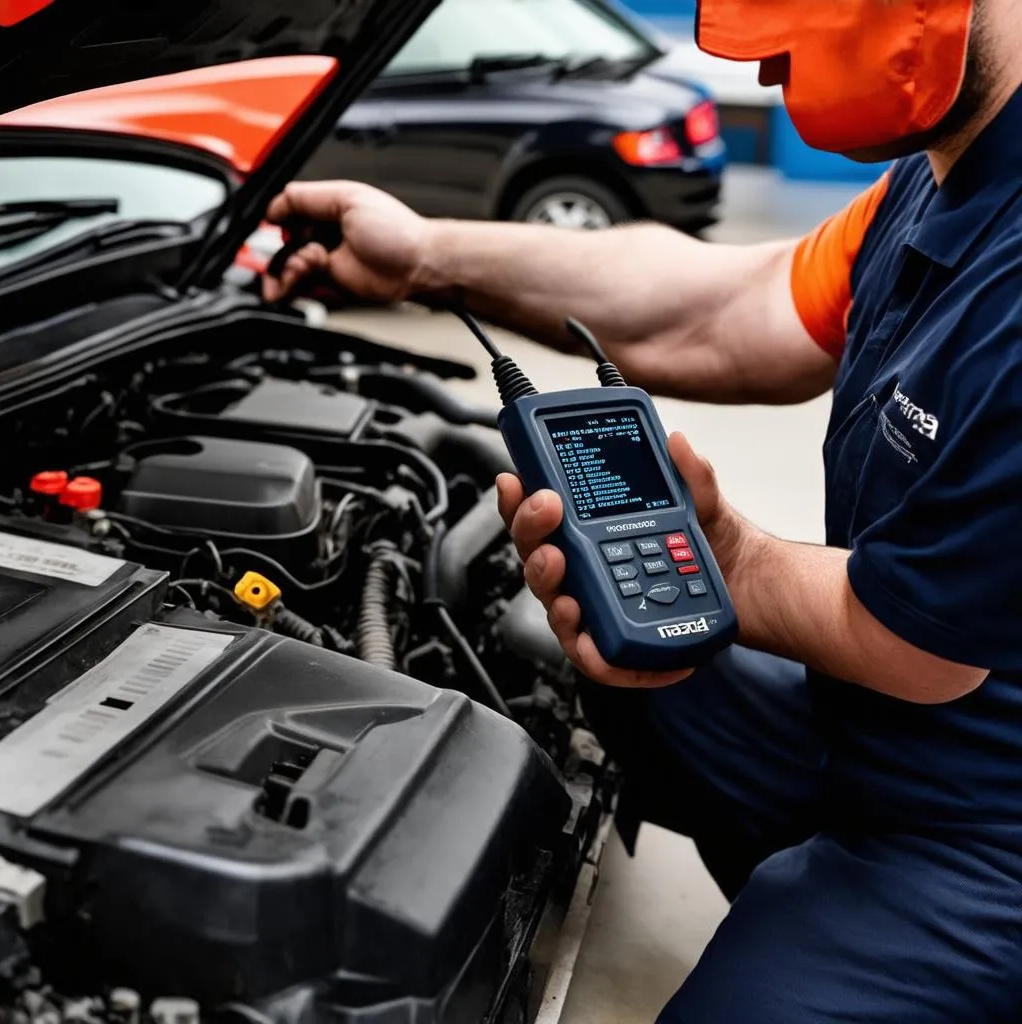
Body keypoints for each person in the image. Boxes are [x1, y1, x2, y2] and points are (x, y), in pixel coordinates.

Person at [264, 0, 1022, 1018]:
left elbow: (918, 638)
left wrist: (728, 559)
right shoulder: (935, 190)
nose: (764, 85)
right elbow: (720, 305)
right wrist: (422, 254)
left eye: (791, 46)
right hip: (880, 725)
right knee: (615, 655)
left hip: (984, 831)